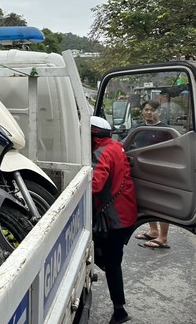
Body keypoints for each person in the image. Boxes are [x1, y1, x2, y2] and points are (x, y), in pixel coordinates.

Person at [91, 116, 137, 324]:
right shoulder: (116, 146)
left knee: (110, 261)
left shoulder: (100, 152)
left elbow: (94, 185)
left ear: (92, 135)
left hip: (113, 218)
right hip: (127, 212)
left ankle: (120, 311)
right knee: (110, 258)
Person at [132, 100, 172, 249]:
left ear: (159, 112)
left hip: (160, 173)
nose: (149, 112)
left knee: (161, 205)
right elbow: (126, 144)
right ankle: (154, 231)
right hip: (142, 172)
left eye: (152, 110)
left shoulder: (167, 131)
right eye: (146, 110)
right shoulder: (137, 129)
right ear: (142, 112)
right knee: (148, 203)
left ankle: (163, 237)